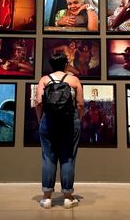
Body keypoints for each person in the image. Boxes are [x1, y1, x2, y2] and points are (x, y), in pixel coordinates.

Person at [35, 52, 84, 209]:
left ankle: (47, 198)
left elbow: (38, 103)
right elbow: (81, 104)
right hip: (70, 122)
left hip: (48, 121)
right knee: (68, 158)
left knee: (48, 158)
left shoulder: (44, 80)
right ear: (65, 64)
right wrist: (78, 119)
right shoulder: (74, 80)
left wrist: (40, 119)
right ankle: (68, 198)